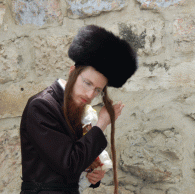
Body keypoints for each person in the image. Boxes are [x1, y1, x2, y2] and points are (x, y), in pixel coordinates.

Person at [20, 25, 138, 194]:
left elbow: (76, 160)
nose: (90, 94)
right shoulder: (41, 106)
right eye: (87, 83)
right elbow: (69, 164)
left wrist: (92, 174)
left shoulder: (77, 109)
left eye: (97, 90)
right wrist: (102, 123)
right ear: (72, 72)